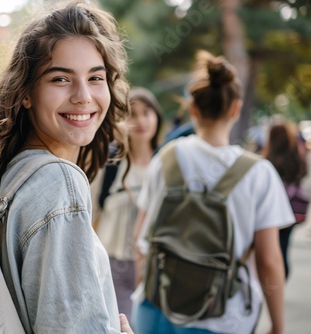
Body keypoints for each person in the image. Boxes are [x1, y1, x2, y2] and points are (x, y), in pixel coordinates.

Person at [0, 1, 134, 332]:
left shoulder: (15, 172)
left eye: (95, 77)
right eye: (61, 79)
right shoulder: (59, 183)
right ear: (26, 93)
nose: (83, 95)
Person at [132, 51, 294, 334]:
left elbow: (139, 238)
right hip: (222, 317)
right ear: (236, 109)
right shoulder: (259, 172)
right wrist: (278, 325)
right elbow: (269, 260)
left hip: (155, 308)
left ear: (193, 108)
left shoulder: (166, 158)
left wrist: (146, 286)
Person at [91, 87, 163, 320]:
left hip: (157, 268)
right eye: (133, 114)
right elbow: (90, 212)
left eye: (146, 112)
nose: (141, 121)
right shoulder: (109, 162)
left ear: (156, 117)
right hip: (113, 266)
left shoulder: (167, 165)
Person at [262, 122, 308, 280]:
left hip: (270, 211)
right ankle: (281, 279)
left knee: (270, 249)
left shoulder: (267, 160)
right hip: (291, 210)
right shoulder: (296, 158)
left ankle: (274, 281)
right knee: (283, 246)